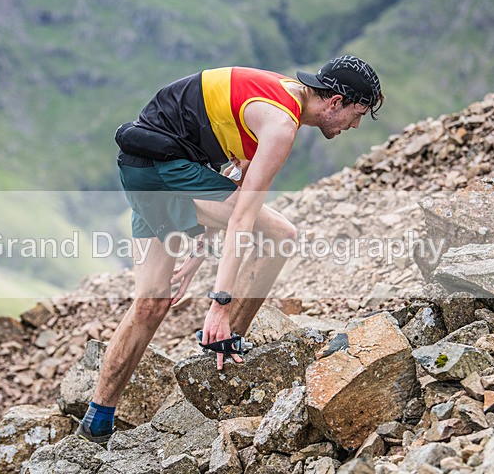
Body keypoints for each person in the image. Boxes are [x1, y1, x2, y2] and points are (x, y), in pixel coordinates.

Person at [77, 55, 384, 444]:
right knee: (281, 235)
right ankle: (225, 342)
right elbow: (240, 217)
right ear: (336, 102)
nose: (355, 125)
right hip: (162, 168)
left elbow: (225, 178)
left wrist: (195, 252)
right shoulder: (280, 124)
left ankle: (96, 420)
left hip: (143, 166)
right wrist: (219, 305)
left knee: (151, 302)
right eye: (356, 114)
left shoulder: (274, 93)